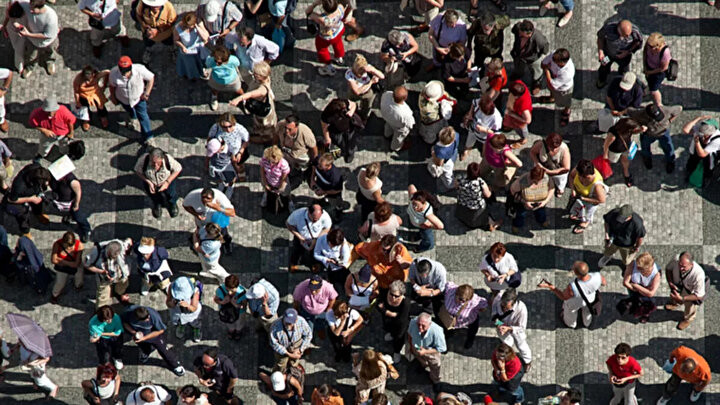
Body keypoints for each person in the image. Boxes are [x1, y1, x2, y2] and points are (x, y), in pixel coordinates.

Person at [538, 260, 607, 328]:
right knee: (587, 310)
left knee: (570, 311)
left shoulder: (572, 287)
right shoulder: (597, 276)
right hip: (591, 299)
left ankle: (571, 324)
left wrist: (551, 287)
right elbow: (604, 283)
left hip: (576, 302)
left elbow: (563, 297)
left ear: (576, 273)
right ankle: (587, 323)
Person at [121, 305, 185, 376]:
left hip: (155, 336)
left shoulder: (154, 315)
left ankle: (175, 365)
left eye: (148, 317)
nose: (148, 319)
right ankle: (146, 352)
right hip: (140, 337)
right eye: (146, 319)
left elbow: (160, 331)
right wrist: (134, 333)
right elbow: (124, 323)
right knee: (144, 348)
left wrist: (144, 338)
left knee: (164, 351)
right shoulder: (128, 312)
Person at [109, 56, 155, 143]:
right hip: (123, 99)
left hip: (138, 99)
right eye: (123, 71)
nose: (125, 74)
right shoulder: (113, 73)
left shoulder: (140, 69)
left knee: (143, 116)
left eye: (127, 71)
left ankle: (149, 138)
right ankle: (133, 117)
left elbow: (151, 78)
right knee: (129, 110)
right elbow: (112, 86)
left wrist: (147, 93)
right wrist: (113, 97)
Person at [230, 61, 277, 144]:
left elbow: (251, 94)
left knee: (264, 125)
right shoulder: (266, 78)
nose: (253, 74)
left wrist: (238, 99)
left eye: (255, 74)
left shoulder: (262, 90)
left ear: (261, 76)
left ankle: (265, 138)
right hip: (264, 104)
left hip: (262, 110)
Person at [630, 103, 681, 174]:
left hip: (663, 133)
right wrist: (640, 127)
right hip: (648, 134)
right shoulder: (639, 114)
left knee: (668, 148)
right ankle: (647, 158)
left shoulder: (666, 110)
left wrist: (669, 121)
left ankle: (670, 161)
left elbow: (679, 109)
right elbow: (630, 116)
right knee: (645, 148)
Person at [48, 161, 93, 242]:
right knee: (67, 211)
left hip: (71, 203)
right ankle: (69, 215)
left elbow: (78, 192)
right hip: (61, 201)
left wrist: (76, 205)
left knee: (78, 217)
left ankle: (86, 230)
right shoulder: (53, 176)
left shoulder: (72, 181)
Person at [183, 187, 236, 254]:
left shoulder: (220, 197)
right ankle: (199, 242)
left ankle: (226, 244)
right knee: (200, 233)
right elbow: (185, 206)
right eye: (203, 201)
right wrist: (196, 214)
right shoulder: (192, 196)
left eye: (208, 201)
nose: (205, 204)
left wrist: (218, 208)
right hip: (202, 222)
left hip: (217, 222)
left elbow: (232, 213)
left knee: (224, 234)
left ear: (213, 198)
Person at [3, 163, 51, 235]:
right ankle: (24, 230)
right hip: (20, 198)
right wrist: (30, 199)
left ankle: (38, 214)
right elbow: (11, 199)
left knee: (39, 204)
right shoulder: (19, 186)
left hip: (33, 191)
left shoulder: (36, 167)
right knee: (23, 214)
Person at [84, 238, 132, 308]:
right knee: (102, 298)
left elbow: (129, 241)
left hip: (120, 274)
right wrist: (101, 271)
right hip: (104, 278)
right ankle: (101, 312)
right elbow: (87, 265)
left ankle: (120, 292)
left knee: (122, 285)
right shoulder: (96, 251)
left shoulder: (121, 244)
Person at [135, 147, 182, 218]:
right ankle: (157, 205)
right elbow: (138, 171)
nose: (155, 166)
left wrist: (167, 182)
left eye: (158, 163)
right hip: (151, 183)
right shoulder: (144, 159)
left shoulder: (168, 160)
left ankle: (172, 204)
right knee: (153, 196)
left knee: (171, 194)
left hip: (166, 182)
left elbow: (178, 169)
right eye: (152, 162)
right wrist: (148, 182)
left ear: (162, 159)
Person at [664, 252, 706, 330]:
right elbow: (668, 269)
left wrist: (683, 299)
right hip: (677, 285)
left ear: (691, 265)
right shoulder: (676, 259)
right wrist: (670, 282)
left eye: (684, 267)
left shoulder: (699, 275)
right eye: (679, 265)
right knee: (674, 296)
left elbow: (699, 295)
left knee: (690, 308)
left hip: (690, 292)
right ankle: (675, 303)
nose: (680, 268)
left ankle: (688, 319)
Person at [596, 19, 643, 88]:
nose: (626, 37)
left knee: (624, 71)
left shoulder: (635, 32)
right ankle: (601, 80)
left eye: (628, 35)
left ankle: (621, 83)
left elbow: (638, 42)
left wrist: (628, 51)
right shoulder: (608, 28)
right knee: (603, 68)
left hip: (624, 56)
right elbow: (600, 37)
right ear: (618, 30)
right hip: (608, 54)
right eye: (624, 35)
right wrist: (601, 51)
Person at [18, 0, 59, 77]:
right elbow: (15, 3)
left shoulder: (51, 18)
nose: (30, 10)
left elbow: (46, 35)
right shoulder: (29, 6)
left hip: (48, 41)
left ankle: (49, 62)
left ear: (40, 7)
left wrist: (28, 34)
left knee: (50, 52)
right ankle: (30, 66)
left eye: (32, 9)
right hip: (32, 41)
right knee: (31, 55)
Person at [491, 288, 531, 369]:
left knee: (522, 346)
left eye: (507, 308)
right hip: (502, 327)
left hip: (516, 331)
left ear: (514, 303)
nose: (504, 309)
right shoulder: (498, 299)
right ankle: (508, 356)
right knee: (506, 344)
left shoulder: (522, 309)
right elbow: (494, 315)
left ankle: (528, 361)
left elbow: (522, 328)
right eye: (503, 306)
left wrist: (509, 328)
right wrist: (499, 324)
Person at [440, 282, 487, 349]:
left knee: (472, 331)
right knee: (448, 331)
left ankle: (470, 340)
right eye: (460, 299)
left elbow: (484, 306)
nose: (462, 302)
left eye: (465, 301)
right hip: (450, 319)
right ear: (456, 294)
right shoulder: (450, 290)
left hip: (469, 320)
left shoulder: (475, 301)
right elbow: (447, 284)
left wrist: (476, 310)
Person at [508, 165, 554, 233]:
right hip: (524, 204)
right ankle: (517, 225)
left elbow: (552, 188)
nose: (538, 183)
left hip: (540, 203)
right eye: (535, 181)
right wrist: (524, 201)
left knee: (541, 213)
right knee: (520, 215)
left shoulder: (546, 177)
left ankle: (542, 221)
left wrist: (545, 201)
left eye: (539, 181)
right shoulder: (522, 181)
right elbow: (512, 190)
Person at [287, 204, 333, 271]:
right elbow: (289, 225)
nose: (316, 221)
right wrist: (300, 237)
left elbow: (327, 228)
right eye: (314, 219)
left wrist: (317, 239)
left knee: (316, 253)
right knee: (297, 250)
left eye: (318, 219)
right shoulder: (297, 215)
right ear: (309, 212)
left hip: (316, 238)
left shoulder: (325, 217)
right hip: (301, 237)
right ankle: (293, 263)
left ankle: (314, 264)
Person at [29, 95, 75, 162]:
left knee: (64, 145)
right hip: (47, 136)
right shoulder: (37, 113)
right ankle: (41, 155)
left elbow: (70, 121)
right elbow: (32, 123)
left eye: (52, 111)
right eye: (48, 111)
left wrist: (71, 133)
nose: (50, 113)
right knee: (44, 147)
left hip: (63, 134)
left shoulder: (63, 110)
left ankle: (64, 153)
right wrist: (43, 130)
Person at [455, 162, 500, 230]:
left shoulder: (460, 178)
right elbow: (488, 195)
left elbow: (456, 186)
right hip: (476, 206)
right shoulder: (480, 182)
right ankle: (492, 224)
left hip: (463, 202)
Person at [306, 0, 346, 76]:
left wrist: (315, 4)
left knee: (322, 49)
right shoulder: (340, 8)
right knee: (338, 43)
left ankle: (328, 67)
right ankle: (339, 57)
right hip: (339, 30)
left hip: (327, 37)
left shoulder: (323, 19)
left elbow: (308, 12)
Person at [407, 312, 447, 389]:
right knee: (420, 359)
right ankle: (423, 365)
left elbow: (442, 348)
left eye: (423, 326)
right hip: (417, 348)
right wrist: (411, 347)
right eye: (418, 324)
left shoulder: (437, 331)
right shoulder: (413, 322)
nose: (420, 328)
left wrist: (425, 351)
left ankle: (436, 380)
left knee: (435, 366)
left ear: (429, 324)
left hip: (431, 352)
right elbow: (409, 334)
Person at [617, 252, 660, 322]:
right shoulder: (632, 264)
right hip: (634, 290)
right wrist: (637, 290)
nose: (636, 268)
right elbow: (625, 282)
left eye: (639, 268)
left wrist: (635, 286)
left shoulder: (656, 273)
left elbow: (651, 293)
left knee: (645, 305)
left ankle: (645, 315)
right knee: (634, 301)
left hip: (641, 291)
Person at [207, 113, 250, 182]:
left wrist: (240, 152)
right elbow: (210, 138)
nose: (228, 130)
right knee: (223, 168)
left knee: (239, 166)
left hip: (236, 152)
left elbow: (246, 140)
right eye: (224, 127)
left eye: (230, 126)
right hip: (222, 153)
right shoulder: (216, 127)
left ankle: (241, 175)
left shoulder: (240, 129)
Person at [568, 159, 607, 234]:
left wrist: (584, 199)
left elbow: (601, 200)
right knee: (577, 207)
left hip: (590, 200)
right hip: (578, 195)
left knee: (587, 214)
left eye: (582, 177)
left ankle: (585, 222)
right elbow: (571, 176)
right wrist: (573, 189)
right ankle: (577, 213)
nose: (580, 178)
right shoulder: (580, 170)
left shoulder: (597, 185)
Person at [510, 20, 548, 95]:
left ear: (529, 34)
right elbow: (514, 30)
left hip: (532, 58)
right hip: (519, 55)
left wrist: (535, 55)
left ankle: (537, 83)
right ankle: (518, 74)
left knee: (536, 71)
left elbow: (545, 50)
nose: (519, 35)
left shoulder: (539, 39)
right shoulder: (518, 28)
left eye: (522, 35)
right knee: (518, 67)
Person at [461, 95, 503, 160]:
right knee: (469, 140)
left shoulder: (497, 118)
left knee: (485, 145)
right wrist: (470, 114)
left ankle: (484, 154)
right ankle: (467, 150)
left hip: (484, 136)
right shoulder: (483, 102)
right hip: (473, 128)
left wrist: (484, 130)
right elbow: (474, 103)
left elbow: (496, 133)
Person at [540, 48, 575, 126]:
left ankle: (567, 111)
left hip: (563, 89)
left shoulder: (567, 73)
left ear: (562, 62)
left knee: (566, 101)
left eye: (555, 61)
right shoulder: (554, 55)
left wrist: (546, 70)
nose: (552, 60)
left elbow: (552, 85)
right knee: (551, 91)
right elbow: (543, 64)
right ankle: (552, 97)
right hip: (553, 78)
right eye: (553, 58)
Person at [378, 280, 410, 363]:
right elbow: (378, 305)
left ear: (401, 295)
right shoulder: (384, 294)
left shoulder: (405, 303)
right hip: (388, 322)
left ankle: (397, 352)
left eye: (396, 296)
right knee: (388, 330)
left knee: (398, 339)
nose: (393, 298)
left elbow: (401, 319)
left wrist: (384, 310)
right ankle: (391, 335)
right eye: (391, 294)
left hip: (399, 326)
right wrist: (390, 313)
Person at [135, 0, 177, 64]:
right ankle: (148, 51)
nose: (155, 7)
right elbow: (138, 15)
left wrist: (158, 30)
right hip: (148, 33)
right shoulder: (142, 4)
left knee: (169, 42)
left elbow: (172, 22)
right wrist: (143, 24)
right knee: (148, 44)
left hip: (165, 34)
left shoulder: (169, 6)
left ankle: (172, 51)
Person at [345, 54, 385, 122]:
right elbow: (357, 91)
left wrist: (373, 70)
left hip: (368, 92)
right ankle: (353, 113)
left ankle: (364, 118)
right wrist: (371, 82)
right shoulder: (349, 74)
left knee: (367, 107)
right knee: (350, 104)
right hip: (354, 93)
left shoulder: (367, 68)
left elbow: (382, 76)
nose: (362, 73)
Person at [682, 115, 720, 186]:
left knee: (708, 169)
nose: (702, 136)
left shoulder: (717, 140)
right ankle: (689, 173)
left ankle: (705, 180)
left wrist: (697, 142)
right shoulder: (700, 128)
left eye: (704, 135)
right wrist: (697, 118)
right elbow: (685, 130)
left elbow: (702, 154)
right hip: (695, 152)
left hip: (709, 156)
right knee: (691, 164)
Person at [529, 132, 571, 196]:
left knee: (560, 182)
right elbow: (532, 152)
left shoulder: (564, 149)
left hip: (558, 170)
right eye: (551, 147)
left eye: (556, 147)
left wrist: (551, 172)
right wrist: (537, 163)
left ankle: (560, 189)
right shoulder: (541, 144)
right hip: (542, 167)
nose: (553, 149)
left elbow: (566, 168)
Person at [406, 185, 444, 253]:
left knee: (429, 242)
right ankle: (418, 236)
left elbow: (440, 226)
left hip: (424, 227)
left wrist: (429, 226)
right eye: (414, 204)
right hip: (418, 225)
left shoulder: (427, 212)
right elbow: (411, 186)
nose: (414, 207)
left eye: (417, 205)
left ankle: (422, 247)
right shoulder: (413, 197)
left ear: (424, 203)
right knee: (421, 233)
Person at [49, 231, 84, 304]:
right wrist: (69, 263)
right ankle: (55, 295)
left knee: (79, 277)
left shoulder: (79, 246)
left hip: (68, 266)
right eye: (67, 245)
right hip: (62, 269)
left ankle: (78, 286)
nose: (69, 248)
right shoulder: (57, 244)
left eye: (71, 245)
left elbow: (76, 264)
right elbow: (53, 260)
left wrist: (61, 260)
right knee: (59, 283)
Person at [321, 98, 361, 162]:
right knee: (340, 144)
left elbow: (354, 104)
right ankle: (343, 151)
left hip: (349, 129)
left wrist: (351, 112)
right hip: (337, 132)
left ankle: (350, 153)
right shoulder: (327, 114)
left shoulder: (344, 103)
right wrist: (327, 138)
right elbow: (324, 126)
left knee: (351, 143)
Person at [418, 80, 455, 145]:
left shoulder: (422, 94)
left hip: (428, 119)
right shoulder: (428, 109)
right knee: (430, 135)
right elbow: (435, 118)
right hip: (432, 122)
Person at [206, 46, 243, 111]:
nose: (216, 63)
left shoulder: (233, 59)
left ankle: (244, 99)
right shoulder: (211, 60)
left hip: (232, 80)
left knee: (239, 90)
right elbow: (207, 64)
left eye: (219, 63)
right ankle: (214, 98)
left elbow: (237, 63)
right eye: (215, 61)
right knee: (214, 90)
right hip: (216, 80)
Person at [166, 276, 203, 342]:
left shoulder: (195, 291)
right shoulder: (171, 287)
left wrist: (188, 305)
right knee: (179, 321)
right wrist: (172, 304)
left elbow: (194, 308)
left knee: (195, 321)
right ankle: (181, 326)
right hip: (177, 312)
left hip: (191, 313)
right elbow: (168, 302)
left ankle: (196, 329)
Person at [73, 66, 110, 130]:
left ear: (93, 74)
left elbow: (107, 72)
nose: (87, 81)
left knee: (100, 105)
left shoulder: (96, 75)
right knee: (84, 108)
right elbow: (76, 92)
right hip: (84, 95)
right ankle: (86, 120)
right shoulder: (78, 79)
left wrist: (105, 84)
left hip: (95, 93)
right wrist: (77, 101)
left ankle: (103, 117)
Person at [173, 12, 208, 81]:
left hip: (198, 49)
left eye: (189, 26)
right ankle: (192, 76)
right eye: (186, 26)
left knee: (201, 63)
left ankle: (201, 71)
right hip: (187, 51)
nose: (187, 28)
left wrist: (197, 28)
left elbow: (205, 38)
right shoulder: (178, 28)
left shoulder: (199, 24)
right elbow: (176, 40)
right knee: (190, 66)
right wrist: (182, 46)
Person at [380, 86, 415, 152]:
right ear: (405, 98)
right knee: (398, 138)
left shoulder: (386, 94)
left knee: (388, 126)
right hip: (399, 127)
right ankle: (395, 147)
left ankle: (387, 135)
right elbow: (410, 124)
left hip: (387, 118)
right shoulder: (406, 112)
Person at [214, 274, 247, 339]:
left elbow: (244, 305)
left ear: (237, 287)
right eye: (227, 289)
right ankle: (231, 331)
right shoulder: (220, 290)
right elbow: (216, 299)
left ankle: (238, 332)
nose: (229, 293)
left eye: (232, 290)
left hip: (239, 313)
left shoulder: (242, 292)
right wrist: (222, 302)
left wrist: (236, 304)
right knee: (229, 324)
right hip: (226, 312)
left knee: (239, 324)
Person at [643, 32, 671, 106]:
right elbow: (645, 52)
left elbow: (663, 68)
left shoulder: (665, 52)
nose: (649, 48)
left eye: (651, 47)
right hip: (649, 68)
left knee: (654, 90)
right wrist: (645, 67)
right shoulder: (649, 44)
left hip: (658, 72)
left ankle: (659, 104)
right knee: (649, 80)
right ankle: (649, 88)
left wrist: (650, 72)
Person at [503, 81, 533, 146]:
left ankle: (523, 139)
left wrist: (512, 114)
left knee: (522, 130)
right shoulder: (519, 84)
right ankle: (510, 126)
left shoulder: (523, 106)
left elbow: (528, 120)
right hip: (513, 111)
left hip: (519, 119)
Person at [1, 1, 27, 76]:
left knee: (18, 48)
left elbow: (8, 16)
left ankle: (19, 67)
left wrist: (4, 26)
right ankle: (19, 67)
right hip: (18, 29)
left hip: (16, 28)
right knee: (19, 48)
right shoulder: (27, 5)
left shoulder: (13, 3)